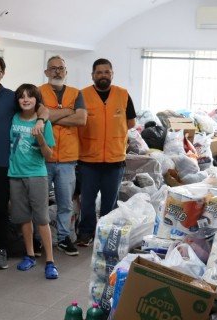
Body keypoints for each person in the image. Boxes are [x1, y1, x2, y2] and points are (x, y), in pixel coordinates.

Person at [0, 54, 48, 270]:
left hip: (4, 164)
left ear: (2, 73)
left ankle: (1, 248)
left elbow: (41, 107)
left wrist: (41, 119)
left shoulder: (12, 97)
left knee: (3, 209)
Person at [76, 58, 136, 246]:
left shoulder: (123, 94)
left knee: (110, 203)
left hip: (114, 160)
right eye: (99, 72)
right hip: (88, 160)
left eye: (107, 72)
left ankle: (105, 235)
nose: (103, 75)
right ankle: (85, 233)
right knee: (87, 201)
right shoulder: (82, 95)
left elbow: (131, 122)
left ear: (112, 74)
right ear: (92, 75)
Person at [8, 84, 58, 280]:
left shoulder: (44, 124)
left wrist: (40, 139)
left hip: (37, 174)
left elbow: (49, 154)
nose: (26, 99)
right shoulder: (14, 118)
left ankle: (50, 261)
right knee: (23, 218)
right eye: (22, 97)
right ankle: (29, 255)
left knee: (42, 219)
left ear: (37, 100)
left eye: (30, 96)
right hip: (15, 174)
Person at [39, 55, 87, 256]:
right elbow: (40, 115)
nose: (57, 71)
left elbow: (82, 119)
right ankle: (39, 239)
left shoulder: (76, 93)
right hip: (42, 157)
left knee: (65, 203)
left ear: (66, 72)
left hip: (68, 159)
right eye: (53, 68)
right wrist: (68, 112)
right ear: (46, 72)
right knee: (39, 201)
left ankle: (63, 238)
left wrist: (52, 115)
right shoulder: (38, 91)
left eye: (61, 68)